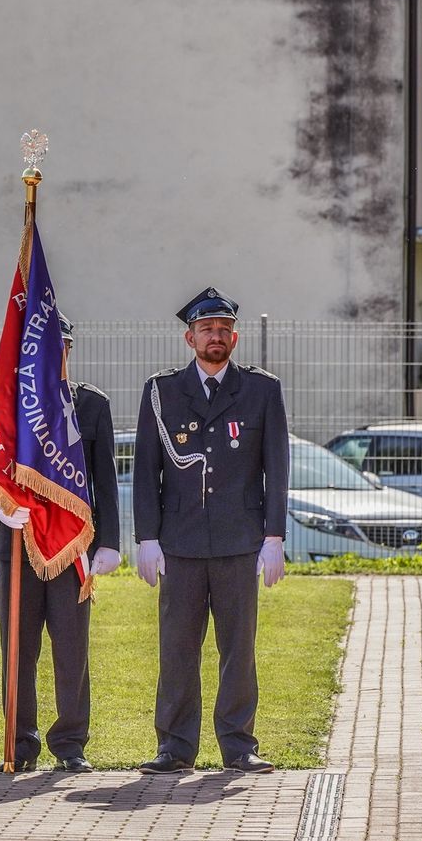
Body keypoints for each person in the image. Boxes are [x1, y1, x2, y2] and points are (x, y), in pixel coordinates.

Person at [133, 287, 289, 775]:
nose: (215, 336)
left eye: (223, 329)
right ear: (190, 338)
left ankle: (239, 745)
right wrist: (147, 537)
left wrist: (274, 537)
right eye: (206, 330)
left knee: (238, 650)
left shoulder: (262, 390)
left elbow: (277, 467)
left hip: (239, 540)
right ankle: (175, 747)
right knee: (177, 649)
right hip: (179, 543)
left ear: (234, 338)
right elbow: (146, 469)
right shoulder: (162, 391)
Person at [0, 314, 120, 773]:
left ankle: (70, 744)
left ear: (68, 350)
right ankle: (20, 742)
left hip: (71, 549)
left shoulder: (91, 404)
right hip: (16, 544)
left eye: (61, 347)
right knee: (18, 649)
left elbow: (105, 480)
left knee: (71, 649)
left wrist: (108, 543)